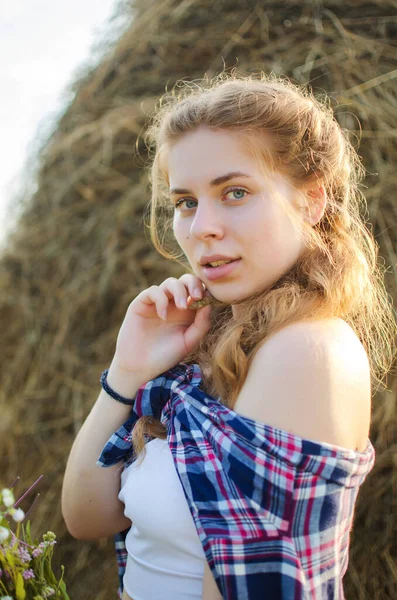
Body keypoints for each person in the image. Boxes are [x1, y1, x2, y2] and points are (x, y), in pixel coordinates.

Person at [61, 71, 396, 600]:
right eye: (186, 202)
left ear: (312, 200)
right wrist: (128, 371)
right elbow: (87, 518)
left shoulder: (306, 350)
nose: (201, 228)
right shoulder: (210, 347)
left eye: (234, 192)